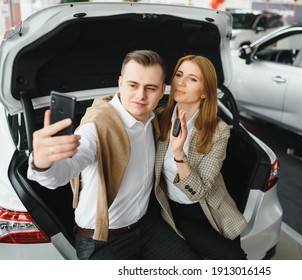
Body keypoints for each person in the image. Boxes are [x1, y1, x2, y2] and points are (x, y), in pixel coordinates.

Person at [27, 50, 199, 260]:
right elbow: (63, 172)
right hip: (103, 241)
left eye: (150, 88)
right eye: (132, 85)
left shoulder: (153, 118)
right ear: (120, 82)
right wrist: (42, 162)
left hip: (147, 227)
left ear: (163, 89)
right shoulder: (95, 127)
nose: (140, 95)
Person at [154, 55, 248, 259]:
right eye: (179, 75)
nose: (181, 82)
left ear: (205, 92)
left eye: (192, 79)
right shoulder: (159, 119)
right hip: (178, 211)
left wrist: (179, 154)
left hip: (213, 208)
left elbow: (199, 191)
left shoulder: (218, 130)